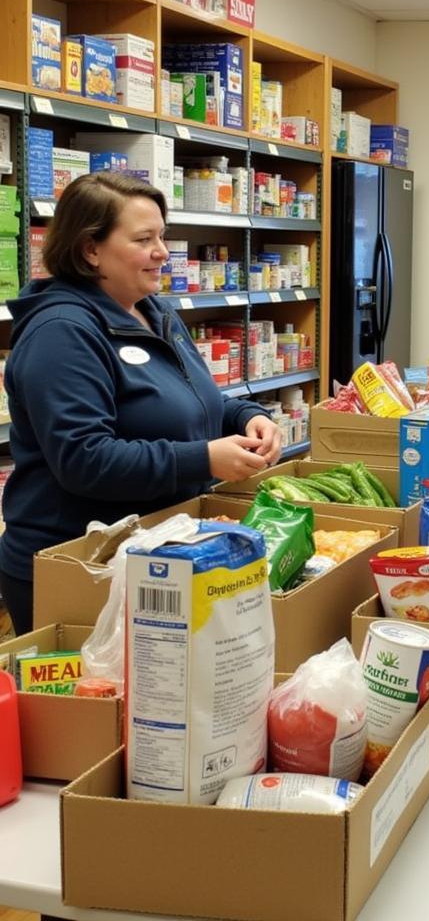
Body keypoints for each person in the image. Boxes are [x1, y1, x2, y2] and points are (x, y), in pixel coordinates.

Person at [0, 173, 281, 635]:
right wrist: (203, 458)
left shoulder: (155, 312)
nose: (162, 252)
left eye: (162, 237)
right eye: (144, 239)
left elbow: (193, 403)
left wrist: (248, 416)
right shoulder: (62, 333)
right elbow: (84, 459)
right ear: (91, 250)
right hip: (78, 566)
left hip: (153, 550)